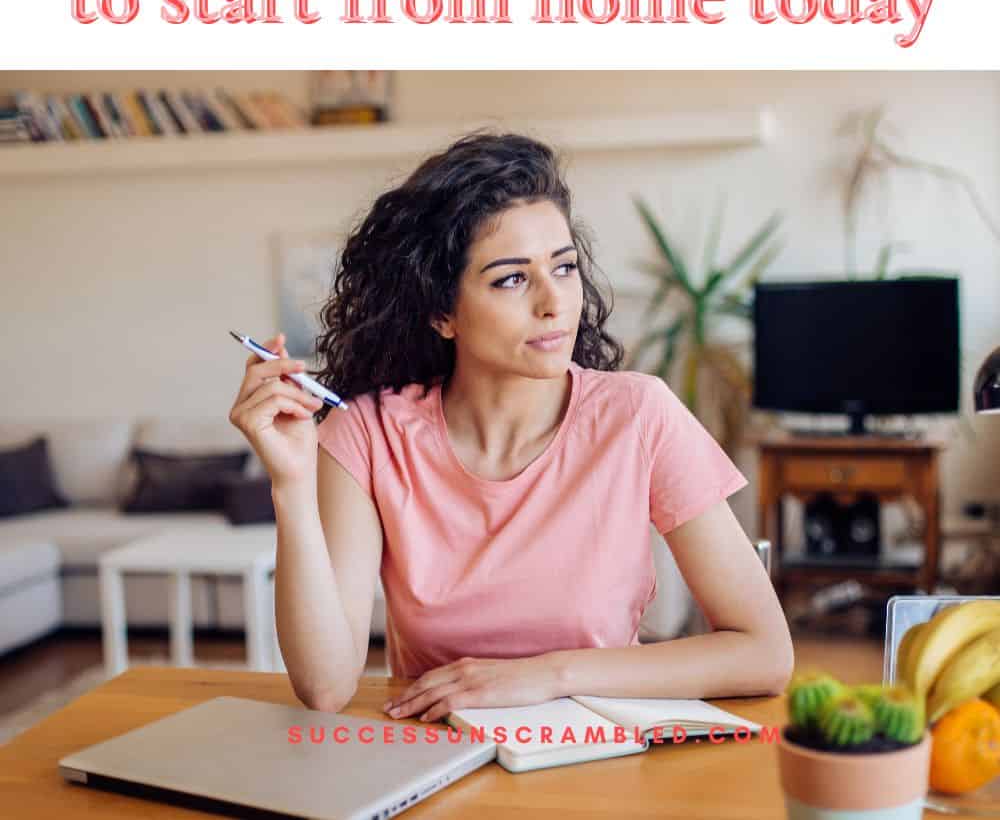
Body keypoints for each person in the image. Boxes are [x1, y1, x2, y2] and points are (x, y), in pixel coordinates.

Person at [228, 129, 794, 718]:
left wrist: (546, 675)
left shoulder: (640, 414)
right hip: (438, 762)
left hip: (601, 758)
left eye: (565, 267)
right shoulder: (368, 433)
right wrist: (290, 485)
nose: (555, 302)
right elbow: (325, 687)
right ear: (441, 312)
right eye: (511, 279)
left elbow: (765, 654)